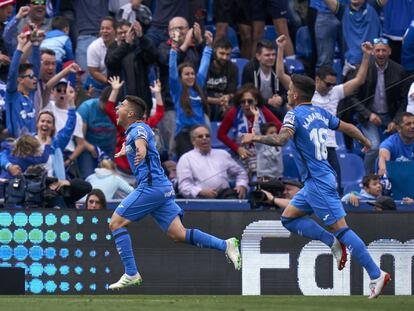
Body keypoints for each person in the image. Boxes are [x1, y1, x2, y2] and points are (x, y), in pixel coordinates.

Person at [241, 74, 391, 299]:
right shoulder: (320, 112)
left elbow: (281, 140)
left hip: (319, 182)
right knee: (288, 218)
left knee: (342, 229)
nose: (287, 92)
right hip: (315, 181)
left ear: (294, 94)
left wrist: (255, 137)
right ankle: (332, 242)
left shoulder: (293, 114)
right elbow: (348, 126)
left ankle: (376, 273)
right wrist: (365, 141)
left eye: (289, 88)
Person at [108, 95, 241, 289]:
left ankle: (131, 273)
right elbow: (138, 141)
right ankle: (226, 245)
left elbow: (141, 141)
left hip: (151, 187)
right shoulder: (134, 130)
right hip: (162, 188)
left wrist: (140, 149)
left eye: (122, 105)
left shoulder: (138, 128)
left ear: (130, 113)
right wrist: (125, 150)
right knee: (178, 234)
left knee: (115, 223)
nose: (117, 108)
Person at [276, 35, 373, 191]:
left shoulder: (335, 92)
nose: (330, 87)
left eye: (333, 84)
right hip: (310, 144)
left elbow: (359, 79)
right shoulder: (305, 91)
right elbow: (281, 75)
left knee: (336, 186)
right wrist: (281, 49)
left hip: (329, 145)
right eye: (328, 83)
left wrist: (367, 55)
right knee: (312, 186)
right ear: (317, 80)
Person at [354, 38, 407, 173]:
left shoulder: (399, 70)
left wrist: (396, 121)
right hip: (369, 115)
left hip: (391, 116)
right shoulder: (363, 69)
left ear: (389, 52)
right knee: (374, 146)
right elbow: (353, 98)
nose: (381, 53)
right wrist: (369, 114)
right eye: (377, 50)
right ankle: (368, 179)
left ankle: (396, 176)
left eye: (384, 50)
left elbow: (403, 100)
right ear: (372, 52)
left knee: (402, 143)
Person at [217, 84, 282, 178]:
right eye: (243, 102)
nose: (246, 104)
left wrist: (265, 141)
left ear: (256, 101)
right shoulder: (234, 112)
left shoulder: (263, 111)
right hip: (241, 153)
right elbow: (220, 134)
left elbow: (280, 128)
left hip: (262, 153)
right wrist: (237, 148)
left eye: (250, 101)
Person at [169, 29, 213, 158]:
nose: (190, 76)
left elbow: (204, 65)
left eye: (192, 73)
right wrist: (173, 50)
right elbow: (172, 70)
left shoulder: (198, 83)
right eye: (186, 74)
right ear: (180, 77)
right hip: (184, 134)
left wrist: (209, 46)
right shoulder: (177, 88)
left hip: (200, 133)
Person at [176, 125, 248, 199]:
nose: (205, 138)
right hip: (199, 201)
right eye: (200, 136)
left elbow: (241, 173)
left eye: (207, 136)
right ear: (193, 141)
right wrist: (200, 192)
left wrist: (241, 185)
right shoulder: (186, 158)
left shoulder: (222, 154)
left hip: (225, 196)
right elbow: (184, 187)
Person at [242, 40, 287, 120]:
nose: (271, 58)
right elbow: (246, 93)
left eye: (273, 55)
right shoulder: (249, 69)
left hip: (277, 105)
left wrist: (281, 99)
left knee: (287, 110)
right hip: (257, 104)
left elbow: (288, 91)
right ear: (258, 56)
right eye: (267, 55)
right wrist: (268, 101)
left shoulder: (280, 67)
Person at [205, 38, 238, 121]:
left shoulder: (233, 68)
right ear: (215, 51)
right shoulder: (205, 66)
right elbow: (198, 94)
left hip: (223, 101)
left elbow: (232, 92)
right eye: (222, 53)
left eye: (228, 54)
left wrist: (227, 97)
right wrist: (215, 101)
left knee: (231, 110)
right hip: (207, 100)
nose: (225, 57)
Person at [378, 112, 414, 176]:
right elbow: (383, 159)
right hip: (395, 181)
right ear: (398, 128)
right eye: (408, 124)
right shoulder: (388, 144)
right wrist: (383, 170)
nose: (412, 126)